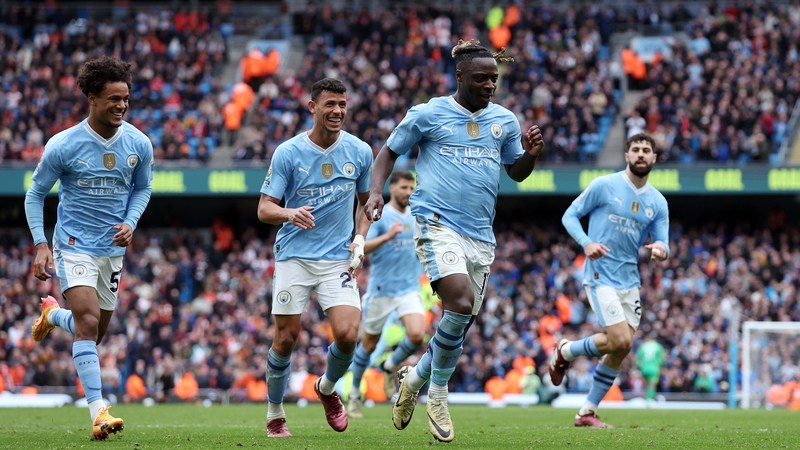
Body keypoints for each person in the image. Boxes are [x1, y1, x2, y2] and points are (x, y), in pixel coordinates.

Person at [364, 40, 545, 442]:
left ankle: (413, 381)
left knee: (459, 325)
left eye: (494, 79)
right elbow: (388, 153)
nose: (489, 85)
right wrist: (377, 191)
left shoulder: (504, 121)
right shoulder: (429, 113)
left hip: (481, 235)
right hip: (436, 222)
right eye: (481, 78)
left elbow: (516, 173)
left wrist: (530, 154)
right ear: (459, 76)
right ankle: (438, 394)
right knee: (459, 302)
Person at [25, 56, 154, 440]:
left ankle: (52, 316)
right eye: (113, 98)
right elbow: (35, 194)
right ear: (92, 98)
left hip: (111, 251)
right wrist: (41, 245)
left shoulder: (138, 143)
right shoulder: (64, 144)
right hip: (73, 244)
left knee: (94, 334)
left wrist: (131, 221)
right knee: (86, 322)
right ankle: (99, 412)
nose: (121, 105)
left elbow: (143, 187)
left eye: (125, 99)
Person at [257, 78, 373, 438]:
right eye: (329, 105)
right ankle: (276, 413)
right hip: (294, 255)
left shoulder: (360, 151)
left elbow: (366, 205)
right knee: (286, 338)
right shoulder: (289, 152)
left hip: (338, 258)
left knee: (348, 334)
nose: (337, 111)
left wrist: (360, 238)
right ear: (313, 107)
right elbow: (264, 209)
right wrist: (290, 213)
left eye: (342, 104)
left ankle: (325, 388)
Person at [552, 132, 670, 428]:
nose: (641, 154)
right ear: (627, 155)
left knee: (622, 347)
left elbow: (664, 243)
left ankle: (586, 411)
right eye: (636, 150)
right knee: (619, 339)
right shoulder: (604, 185)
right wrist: (586, 242)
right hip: (600, 274)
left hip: (629, 281)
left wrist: (660, 250)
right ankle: (564, 351)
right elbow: (570, 215)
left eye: (646, 150)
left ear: (654, 158)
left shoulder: (657, 202)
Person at [347, 170, 425, 418]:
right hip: (380, 290)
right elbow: (361, 245)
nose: (408, 192)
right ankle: (355, 393)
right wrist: (388, 236)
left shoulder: (416, 216)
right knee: (368, 345)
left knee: (416, 335)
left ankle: (390, 366)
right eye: (404, 188)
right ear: (392, 189)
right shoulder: (380, 215)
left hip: (408, 288)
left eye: (411, 188)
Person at [634, 332, 666, 403]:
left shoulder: (643, 346)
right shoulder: (658, 346)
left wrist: (635, 367)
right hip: (654, 368)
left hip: (644, 368)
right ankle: (649, 400)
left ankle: (646, 399)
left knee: (646, 384)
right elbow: (661, 360)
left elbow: (638, 359)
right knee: (652, 385)